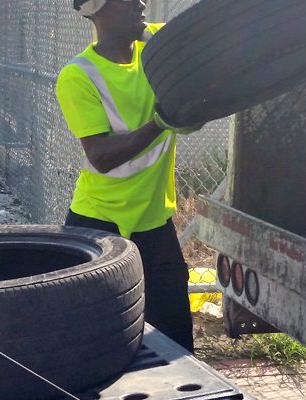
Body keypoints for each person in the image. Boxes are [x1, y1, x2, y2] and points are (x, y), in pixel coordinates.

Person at [55, 0, 201, 352]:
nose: (141, 2)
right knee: (102, 343)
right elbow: (102, 157)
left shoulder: (156, 46)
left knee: (177, 342)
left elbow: (210, 54)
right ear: (97, 9)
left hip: (156, 223)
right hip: (101, 226)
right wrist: (162, 121)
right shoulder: (79, 75)